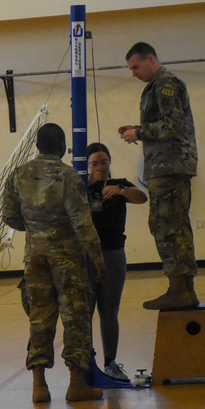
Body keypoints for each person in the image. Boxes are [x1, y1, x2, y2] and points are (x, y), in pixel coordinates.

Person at [2, 123, 106, 403]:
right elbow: (81, 221)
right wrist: (97, 256)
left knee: (39, 317)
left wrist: (37, 228)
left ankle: (39, 385)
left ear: (38, 145)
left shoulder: (18, 174)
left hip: (34, 256)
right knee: (75, 317)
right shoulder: (68, 176)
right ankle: (76, 384)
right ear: (61, 146)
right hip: (67, 257)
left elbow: (9, 216)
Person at [119, 41, 199, 310]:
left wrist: (139, 133)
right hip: (167, 167)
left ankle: (179, 289)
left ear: (151, 58)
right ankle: (185, 289)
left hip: (169, 167)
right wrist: (138, 128)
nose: (134, 73)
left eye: (136, 67)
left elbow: (172, 126)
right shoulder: (157, 86)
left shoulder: (166, 84)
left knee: (166, 227)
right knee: (175, 226)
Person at [85, 142, 148, 382]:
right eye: (94, 164)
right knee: (85, 312)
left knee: (109, 311)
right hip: (87, 258)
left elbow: (141, 197)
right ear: (87, 166)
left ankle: (110, 363)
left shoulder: (118, 184)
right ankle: (85, 363)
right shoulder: (80, 189)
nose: (100, 167)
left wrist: (119, 190)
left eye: (104, 162)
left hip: (113, 254)